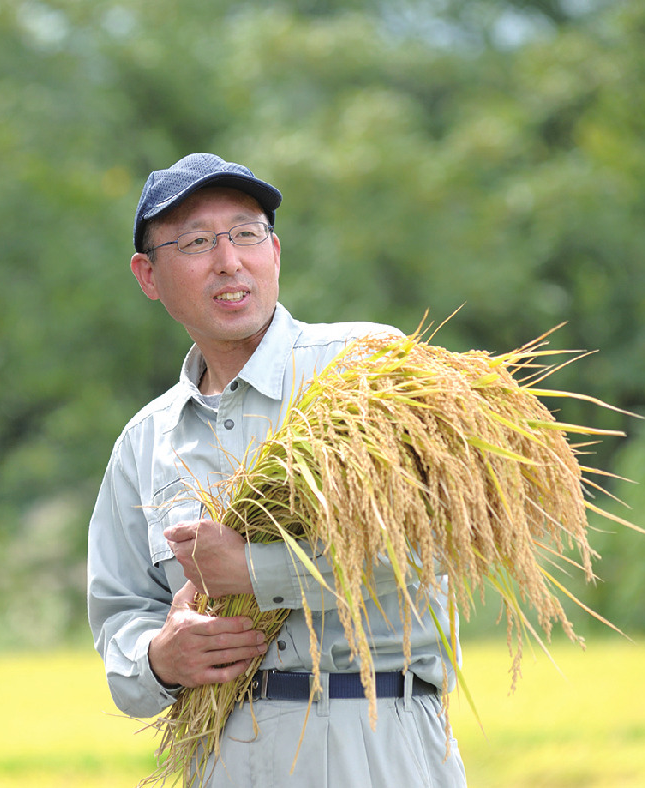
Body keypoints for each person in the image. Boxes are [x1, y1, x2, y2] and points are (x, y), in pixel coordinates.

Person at [87, 153, 467, 787]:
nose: (228, 260)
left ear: (275, 251)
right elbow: (121, 612)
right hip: (224, 754)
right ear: (147, 275)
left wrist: (256, 573)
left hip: (373, 736)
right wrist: (159, 658)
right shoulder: (144, 441)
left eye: (245, 233)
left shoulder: (364, 368)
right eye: (197, 242)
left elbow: (429, 542)